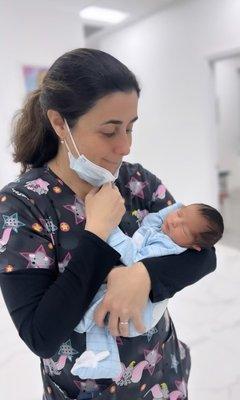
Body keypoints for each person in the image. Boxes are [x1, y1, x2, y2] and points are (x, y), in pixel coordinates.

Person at [0, 48, 217, 400]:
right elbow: (42, 335)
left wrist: (142, 276)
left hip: (161, 379)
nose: (126, 146)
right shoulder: (23, 205)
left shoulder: (136, 182)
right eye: (110, 131)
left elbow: (203, 253)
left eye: (131, 128)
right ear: (59, 124)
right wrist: (97, 235)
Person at [71, 202, 224, 380]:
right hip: (138, 314)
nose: (175, 221)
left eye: (184, 228)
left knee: (102, 307)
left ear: (195, 246)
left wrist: (111, 230)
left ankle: (81, 324)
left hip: (142, 313)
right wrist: (176, 210)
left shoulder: (169, 247)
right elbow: (154, 220)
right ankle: (104, 360)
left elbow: (134, 257)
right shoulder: (165, 229)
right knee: (106, 305)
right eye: (179, 214)